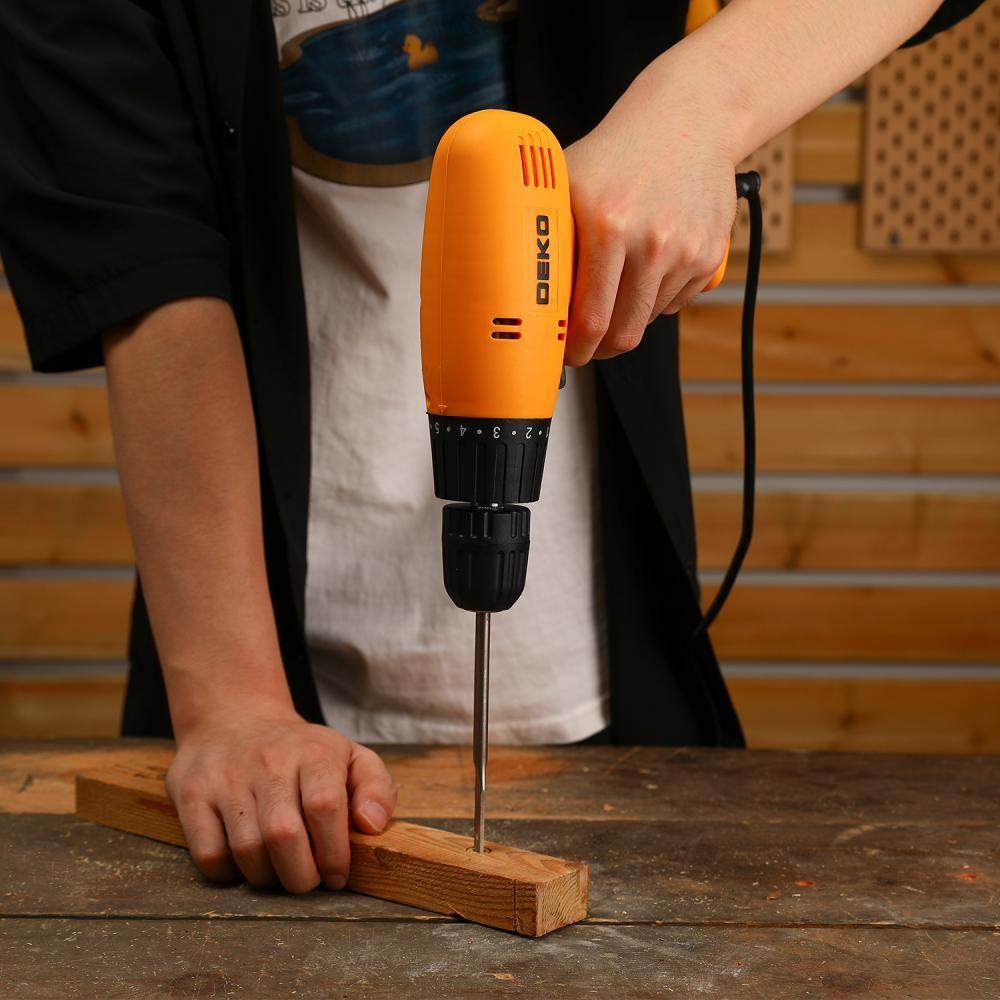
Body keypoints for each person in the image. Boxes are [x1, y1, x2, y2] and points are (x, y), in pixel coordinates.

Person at [0, 0, 984, 894]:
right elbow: (147, 268)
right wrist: (234, 703)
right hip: (251, 657)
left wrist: (699, 101)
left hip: (613, 659)